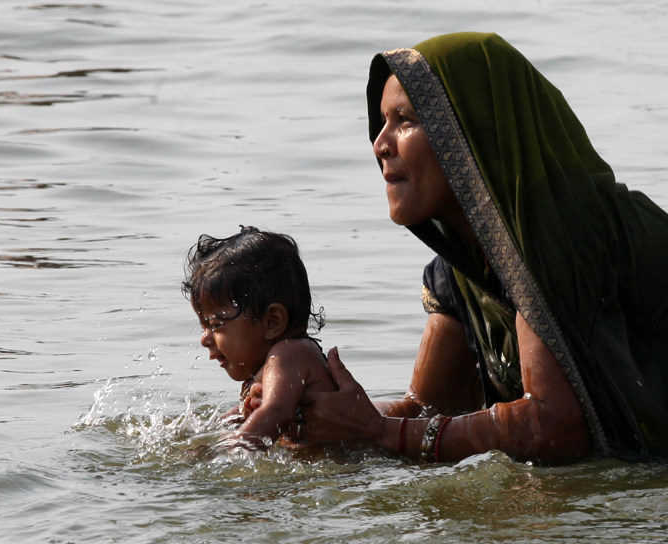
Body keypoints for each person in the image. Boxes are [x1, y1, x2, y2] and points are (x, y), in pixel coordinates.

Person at [271, 32, 668, 464]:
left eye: (404, 120)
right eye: (382, 122)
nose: (380, 144)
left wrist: (380, 433)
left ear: (473, 134)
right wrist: (309, 416)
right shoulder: (462, 266)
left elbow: (554, 427)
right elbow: (426, 408)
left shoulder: (561, 241)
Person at [182, 226, 336, 448]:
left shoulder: (289, 355)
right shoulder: (263, 368)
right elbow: (252, 416)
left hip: (338, 473)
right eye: (204, 326)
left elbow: (276, 413)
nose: (204, 339)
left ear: (272, 322)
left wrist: (223, 450)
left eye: (215, 325)